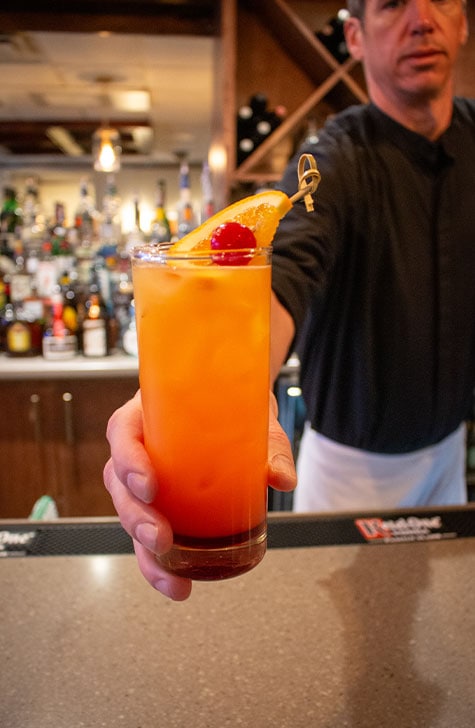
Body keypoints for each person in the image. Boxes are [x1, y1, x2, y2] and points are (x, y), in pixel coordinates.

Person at [104, 0, 474, 599]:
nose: (422, 18)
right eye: (392, 4)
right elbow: (276, 279)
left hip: (450, 457)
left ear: (463, 21)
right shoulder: (337, 158)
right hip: (350, 472)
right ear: (354, 35)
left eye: (441, 0)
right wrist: (207, 394)